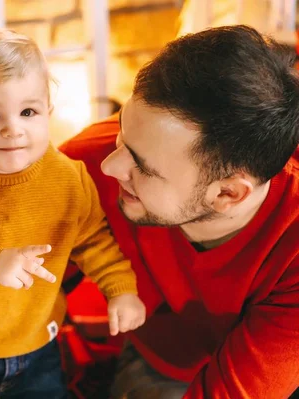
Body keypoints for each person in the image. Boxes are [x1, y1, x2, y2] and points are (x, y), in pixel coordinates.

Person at [59, 25, 299, 398]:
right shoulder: (80, 164)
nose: (109, 166)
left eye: (142, 166)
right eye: (121, 132)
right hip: (163, 359)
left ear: (228, 194)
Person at [0, 28, 145, 398]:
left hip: (37, 344)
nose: (12, 128)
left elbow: (94, 240)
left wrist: (121, 290)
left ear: (47, 113)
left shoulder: (69, 178)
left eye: (28, 111)